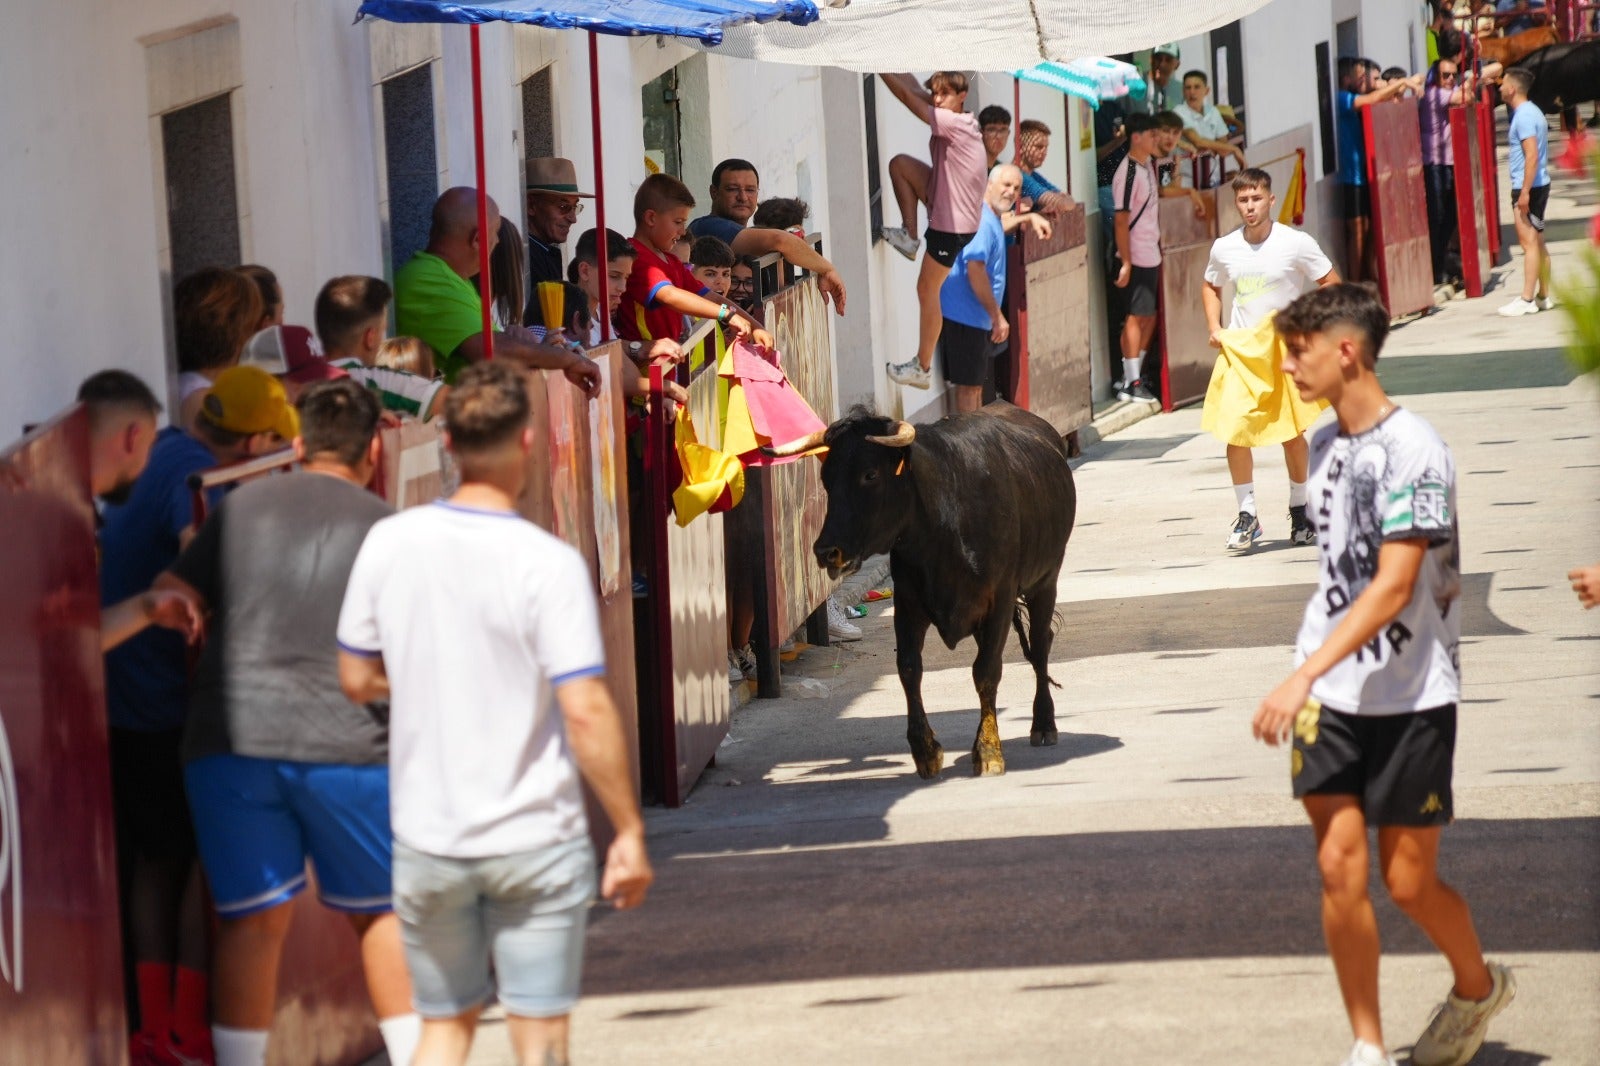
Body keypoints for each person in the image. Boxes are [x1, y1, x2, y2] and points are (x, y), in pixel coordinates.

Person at [336, 361, 654, 1066]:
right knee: (539, 1040)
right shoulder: (547, 563)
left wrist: (426, 680)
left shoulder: (389, 543)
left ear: (446, 442)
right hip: (534, 836)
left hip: (429, 836)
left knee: (444, 1031)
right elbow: (584, 710)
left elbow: (354, 676)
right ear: (528, 442)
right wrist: (628, 829)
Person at [1254, 283, 1514, 1066]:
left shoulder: (1418, 450)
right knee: (1339, 867)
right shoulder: (1323, 446)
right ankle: (1366, 1044)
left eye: (1298, 350)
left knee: (1407, 883)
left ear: (1347, 352)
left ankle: (1477, 987)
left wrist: (1301, 675)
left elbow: (1396, 584)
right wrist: (1310, 673)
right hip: (1329, 692)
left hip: (1414, 691)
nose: (1288, 365)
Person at [156, 379, 419, 1066]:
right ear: (372, 451)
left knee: (251, 923)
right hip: (349, 742)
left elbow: (171, 594)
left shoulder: (240, 508)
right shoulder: (388, 528)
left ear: (298, 446)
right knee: (382, 914)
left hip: (229, 737)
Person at [100, 365, 297, 1066]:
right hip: (171, 700)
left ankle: (154, 1028)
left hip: (126, 695)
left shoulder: (168, 449)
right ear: (254, 443)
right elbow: (201, 557)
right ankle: (185, 1029)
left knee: (157, 862)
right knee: (204, 865)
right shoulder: (202, 481)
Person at [1200, 168, 1340, 553]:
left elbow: (1331, 283)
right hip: (1242, 350)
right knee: (1235, 432)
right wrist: (1214, 326)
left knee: (1291, 434)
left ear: (1271, 200)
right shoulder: (1225, 247)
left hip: (1283, 350)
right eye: (1243, 200)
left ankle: (1300, 510)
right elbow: (1211, 284)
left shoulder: (1295, 243)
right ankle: (1247, 515)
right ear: (1236, 203)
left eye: (1256, 199)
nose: (1250, 207)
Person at [393, 187, 601, 395]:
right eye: (494, 234)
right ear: (477, 239)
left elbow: (496, 347)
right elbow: (492, 348)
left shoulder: (452, 280)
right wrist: (567, 360)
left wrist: (530, 346)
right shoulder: (430, 280)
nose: (497, 242)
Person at [77, 370, 204, 653]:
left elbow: (71, 643)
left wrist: (145, 609)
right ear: (133, 438)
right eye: (149, 445)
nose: (147, 462)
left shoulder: (69, 509)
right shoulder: (53, 517)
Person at [879, 72, 987, 390]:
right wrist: (888, 58)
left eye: (945, 94)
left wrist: (875, 66)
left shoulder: (953, 123)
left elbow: (906, 97)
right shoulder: (956, 114)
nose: (937, 99)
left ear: (962, 95)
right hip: (945, 201)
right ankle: (909, 237)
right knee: (900, 165)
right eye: (935, 93)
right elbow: (914, 88)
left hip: (951, 226)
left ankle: (922, 368)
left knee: (927, 290)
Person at [1111, 113, 1209, 404]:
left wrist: (1188, 190)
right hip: (1135, 254)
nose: (1158, 140)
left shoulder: (1146, 167)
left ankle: (1132, 375)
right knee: (1135, 316)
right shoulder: (1128, 172)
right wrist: (1126, 261)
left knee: (1149, 316)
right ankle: (1131, 383)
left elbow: (1161, 193)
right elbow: (1121, 220)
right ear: (1136, 137)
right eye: (1152, 135)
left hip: (1149, 252)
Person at [615, 174, 773, 350]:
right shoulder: (636, 257)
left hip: (669, 358)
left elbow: (709, 296)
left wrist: (755, 327)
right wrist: (726, 315)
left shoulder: (671, 261)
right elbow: (669, 295)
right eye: (678, 222)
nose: (683, 231)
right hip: (645, 362)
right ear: (651, 218)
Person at [687, 158, 847, 313]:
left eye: (750, 190)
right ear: (714, 192)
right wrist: (828, 270)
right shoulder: (710, 226)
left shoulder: (740, 232)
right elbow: (780, 241)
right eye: (732, 189)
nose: (742, 197)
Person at [939, 165, 1023, 414]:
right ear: (989, 184)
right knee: (969, 388)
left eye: (1016, 188)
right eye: (1006, 185)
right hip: (965, 317)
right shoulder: (983, 220)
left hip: (974, 318)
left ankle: (975, 436)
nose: (1011, 192)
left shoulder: (990, 217)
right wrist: (997, 316)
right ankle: (970, 439)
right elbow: (975, 270)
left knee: (975, 386)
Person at [317, 274, 449, 420]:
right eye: (382, 330)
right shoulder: (375, 381)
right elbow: (461, 404)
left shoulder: (301, 380)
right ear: (370, 338)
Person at [1418, 56, 1501, 288]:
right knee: (1437, 218)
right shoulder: (1433, 94)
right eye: (1445, 75)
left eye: (1453, 75)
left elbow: (1496, 69)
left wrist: (1469, 81)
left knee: (1450, 217)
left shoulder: (1449, 90)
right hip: (1434, 163)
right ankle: (1436, 269)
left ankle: (1440, 264)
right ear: (1436, 77)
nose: (1450, 79)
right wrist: (1471, 81)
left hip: (1448, 162)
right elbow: (1465, 97)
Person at [1336, 58, 1419, 283]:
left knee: (1370, 229)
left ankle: (1367, 278)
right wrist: (1403, 82)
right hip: (1351, 177)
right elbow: (1373, 98)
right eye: (1360, 77)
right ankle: (1355, 282)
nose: (1364, 81)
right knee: (1357, 232)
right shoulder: (1343, 98)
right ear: (1347, 79)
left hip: (1364, 174)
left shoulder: (1356, 96)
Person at [173, 267, 266, 430]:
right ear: (237, 330)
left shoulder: (196, 387)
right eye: (254, 323)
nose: (259, 331)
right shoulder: (201, 401)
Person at [1498, 67, 1556, 317]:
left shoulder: (1522, 117)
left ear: (1512, 89)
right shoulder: (1534, 111)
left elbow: (1531, 155)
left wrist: (1523, 192)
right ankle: (1543, 295)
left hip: (1528, 185)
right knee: (1538, 242)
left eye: (1503, 84)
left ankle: (1526, 298)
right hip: (1539, 183)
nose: (1500, 87)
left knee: (1528, 243)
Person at [523, 157, 591, 288]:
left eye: (575, 207)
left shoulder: (545, 253)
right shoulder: (525, 258)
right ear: (531, 205)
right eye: (563, 207)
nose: (573, 219)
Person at [1176, 70, 1247, 187]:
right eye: (1188, 88)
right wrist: (1234, 149)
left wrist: (1215, 146)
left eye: (1196, 87)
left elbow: (1223, 148)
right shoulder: (1179, 113)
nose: (1192, 92)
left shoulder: (1213, 112)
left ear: (1207, 91)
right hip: (1188, 180)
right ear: (1183, 91)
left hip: (1214, 177)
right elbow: (1198, 142)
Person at [1015, 119, 1075, 217]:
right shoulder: (1018, 175)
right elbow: (1062, 203)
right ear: (1020, 147)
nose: (1044, 152)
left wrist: (1059, 201)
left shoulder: (1034, 176)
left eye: (1046, 147)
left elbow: (1069, 201)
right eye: (1039, 147)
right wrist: (1058, 201)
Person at [689, 235, 736, 301]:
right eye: (711, 274)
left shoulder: (725, 306)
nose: (720, 281)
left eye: (725, 274)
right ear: (690, 275)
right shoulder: (678, 307)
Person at [977, 104, 1013, 169]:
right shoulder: (973, 167)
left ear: (1008, 134)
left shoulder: (1001, 169)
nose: (998, 136)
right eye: (992, 130)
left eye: (1003, 130)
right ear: (981, 133)